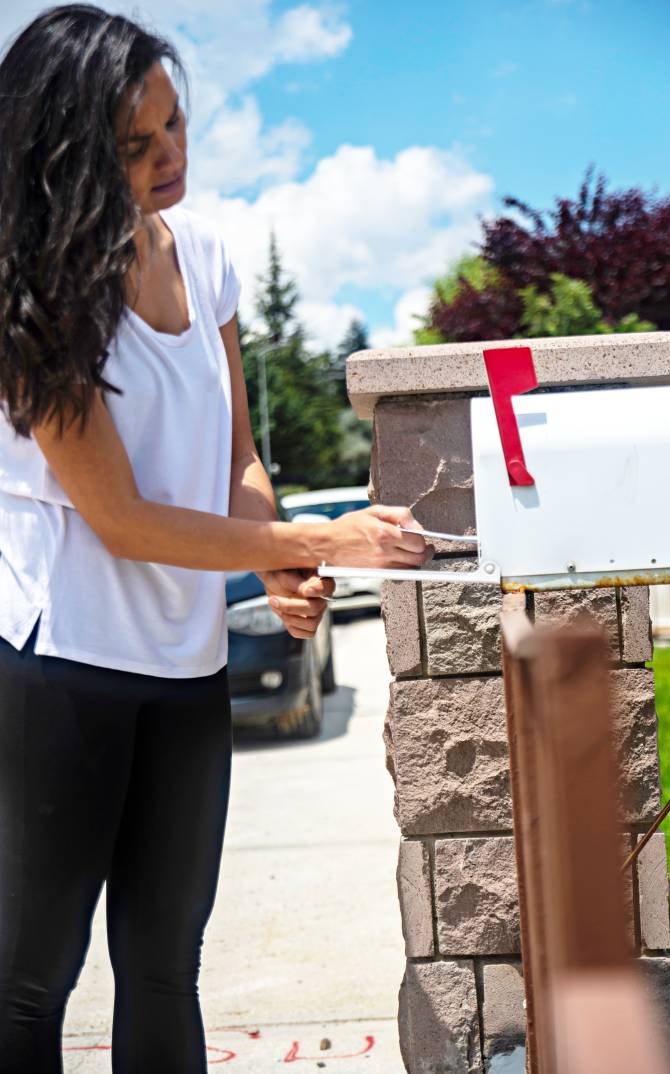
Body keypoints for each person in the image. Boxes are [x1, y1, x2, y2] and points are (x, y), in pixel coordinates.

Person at [0, 6, 429, 1072]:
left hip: (185, 673)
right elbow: (122, 517)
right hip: (61, 675)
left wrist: (280, 556)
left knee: (165, 967)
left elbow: (235, 460)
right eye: (136, 145)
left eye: (177, 128)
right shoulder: (32, 297)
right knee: (26, 987)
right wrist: (322, 541)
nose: (170, 157)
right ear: (67, 154)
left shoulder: (208, 264)